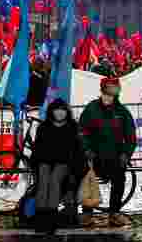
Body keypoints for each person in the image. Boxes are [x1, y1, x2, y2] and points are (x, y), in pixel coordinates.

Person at [78, 77, 135, 228]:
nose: (109, 95)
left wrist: (125, 154)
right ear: (101, 91)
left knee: (119, 180)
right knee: (87, 180)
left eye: (113, 91)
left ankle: (114, 213)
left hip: (115, 157)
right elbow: (81, 132)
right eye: (106, 91)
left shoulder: (122, 112)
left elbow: (131, 137)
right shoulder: (91, 109)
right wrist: (87, 150)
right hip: (93, 157)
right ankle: (87, 212)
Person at [29, 98, 87, 233]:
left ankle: (51, 217)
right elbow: (38, 148)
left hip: (64, 163)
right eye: (57, 110)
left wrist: (77, 167)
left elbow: (77, 150)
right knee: (43, 182)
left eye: (62, 110)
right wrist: (36, 164)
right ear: (52, 112)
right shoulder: (44, 127)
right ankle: (41, 217)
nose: (59, 113)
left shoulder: (73, 127)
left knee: (55, 180)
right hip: (45, 162)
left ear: (67, 112)